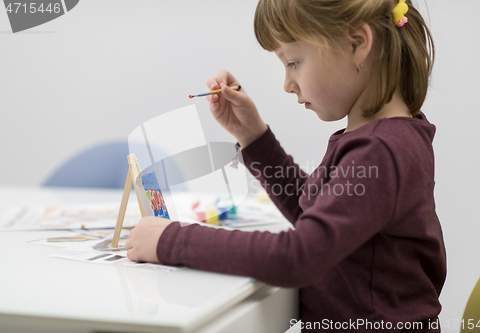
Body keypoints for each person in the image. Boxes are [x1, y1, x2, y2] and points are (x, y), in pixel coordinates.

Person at [125, 0, 446, 331]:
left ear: (357, 44)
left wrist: (172, 242)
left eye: (293, 62)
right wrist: (253, 137)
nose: (287, 84)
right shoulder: (385, 138)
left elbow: (299, 256)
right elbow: (313, 212)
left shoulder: (380, 150)